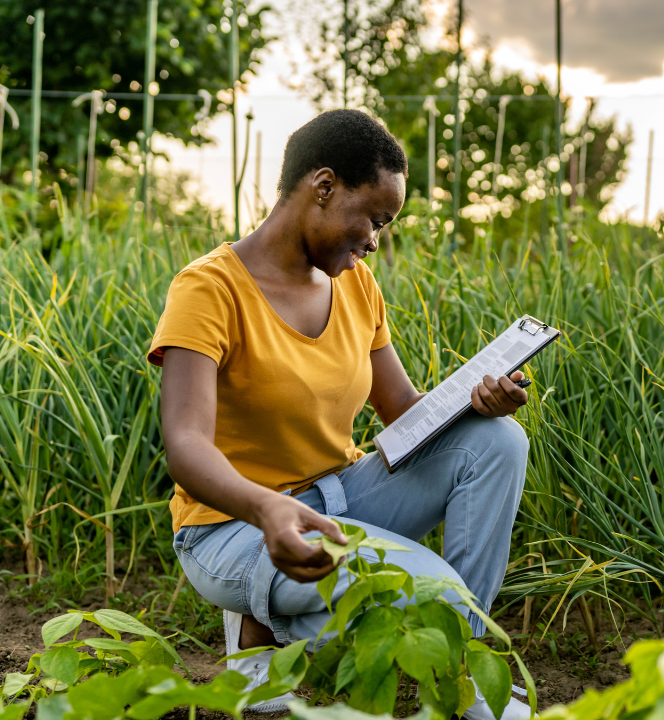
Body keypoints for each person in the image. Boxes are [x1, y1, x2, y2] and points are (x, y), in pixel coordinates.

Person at [148, 109, 531, 718]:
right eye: (374, 219)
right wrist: (268, 506)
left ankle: (456, 662)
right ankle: (266, 632)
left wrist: (478, 404)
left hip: (341, 497)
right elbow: (187, 444)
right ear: (322, 187)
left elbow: (403, 412)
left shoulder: (357, 285)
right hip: (232, 527)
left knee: (499, 441)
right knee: (428, 590)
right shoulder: (209, 289)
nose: (376, 239)